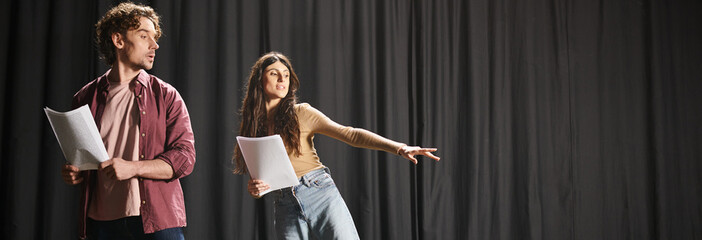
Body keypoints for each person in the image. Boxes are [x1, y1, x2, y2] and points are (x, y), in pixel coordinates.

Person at [233, 52, 440, 239]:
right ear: (259, 80)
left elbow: (349, 133)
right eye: (274, 73)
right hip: (284, 202)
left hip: (317, 191)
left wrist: (399, 147)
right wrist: (255, 189)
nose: (282, 79)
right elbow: (260, 181)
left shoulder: (301, 113)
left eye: (286, 75)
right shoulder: (253, 127)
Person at [60, 2, 196, 240]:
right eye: (144, 36)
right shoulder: (84, 98)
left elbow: (185, 158)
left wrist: (132, 168)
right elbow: (80, 158)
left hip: (155, 219)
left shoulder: (165, 95)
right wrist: (74, 171)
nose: (154, 45)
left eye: (155, 37)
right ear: (119, 41)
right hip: (99, 222)